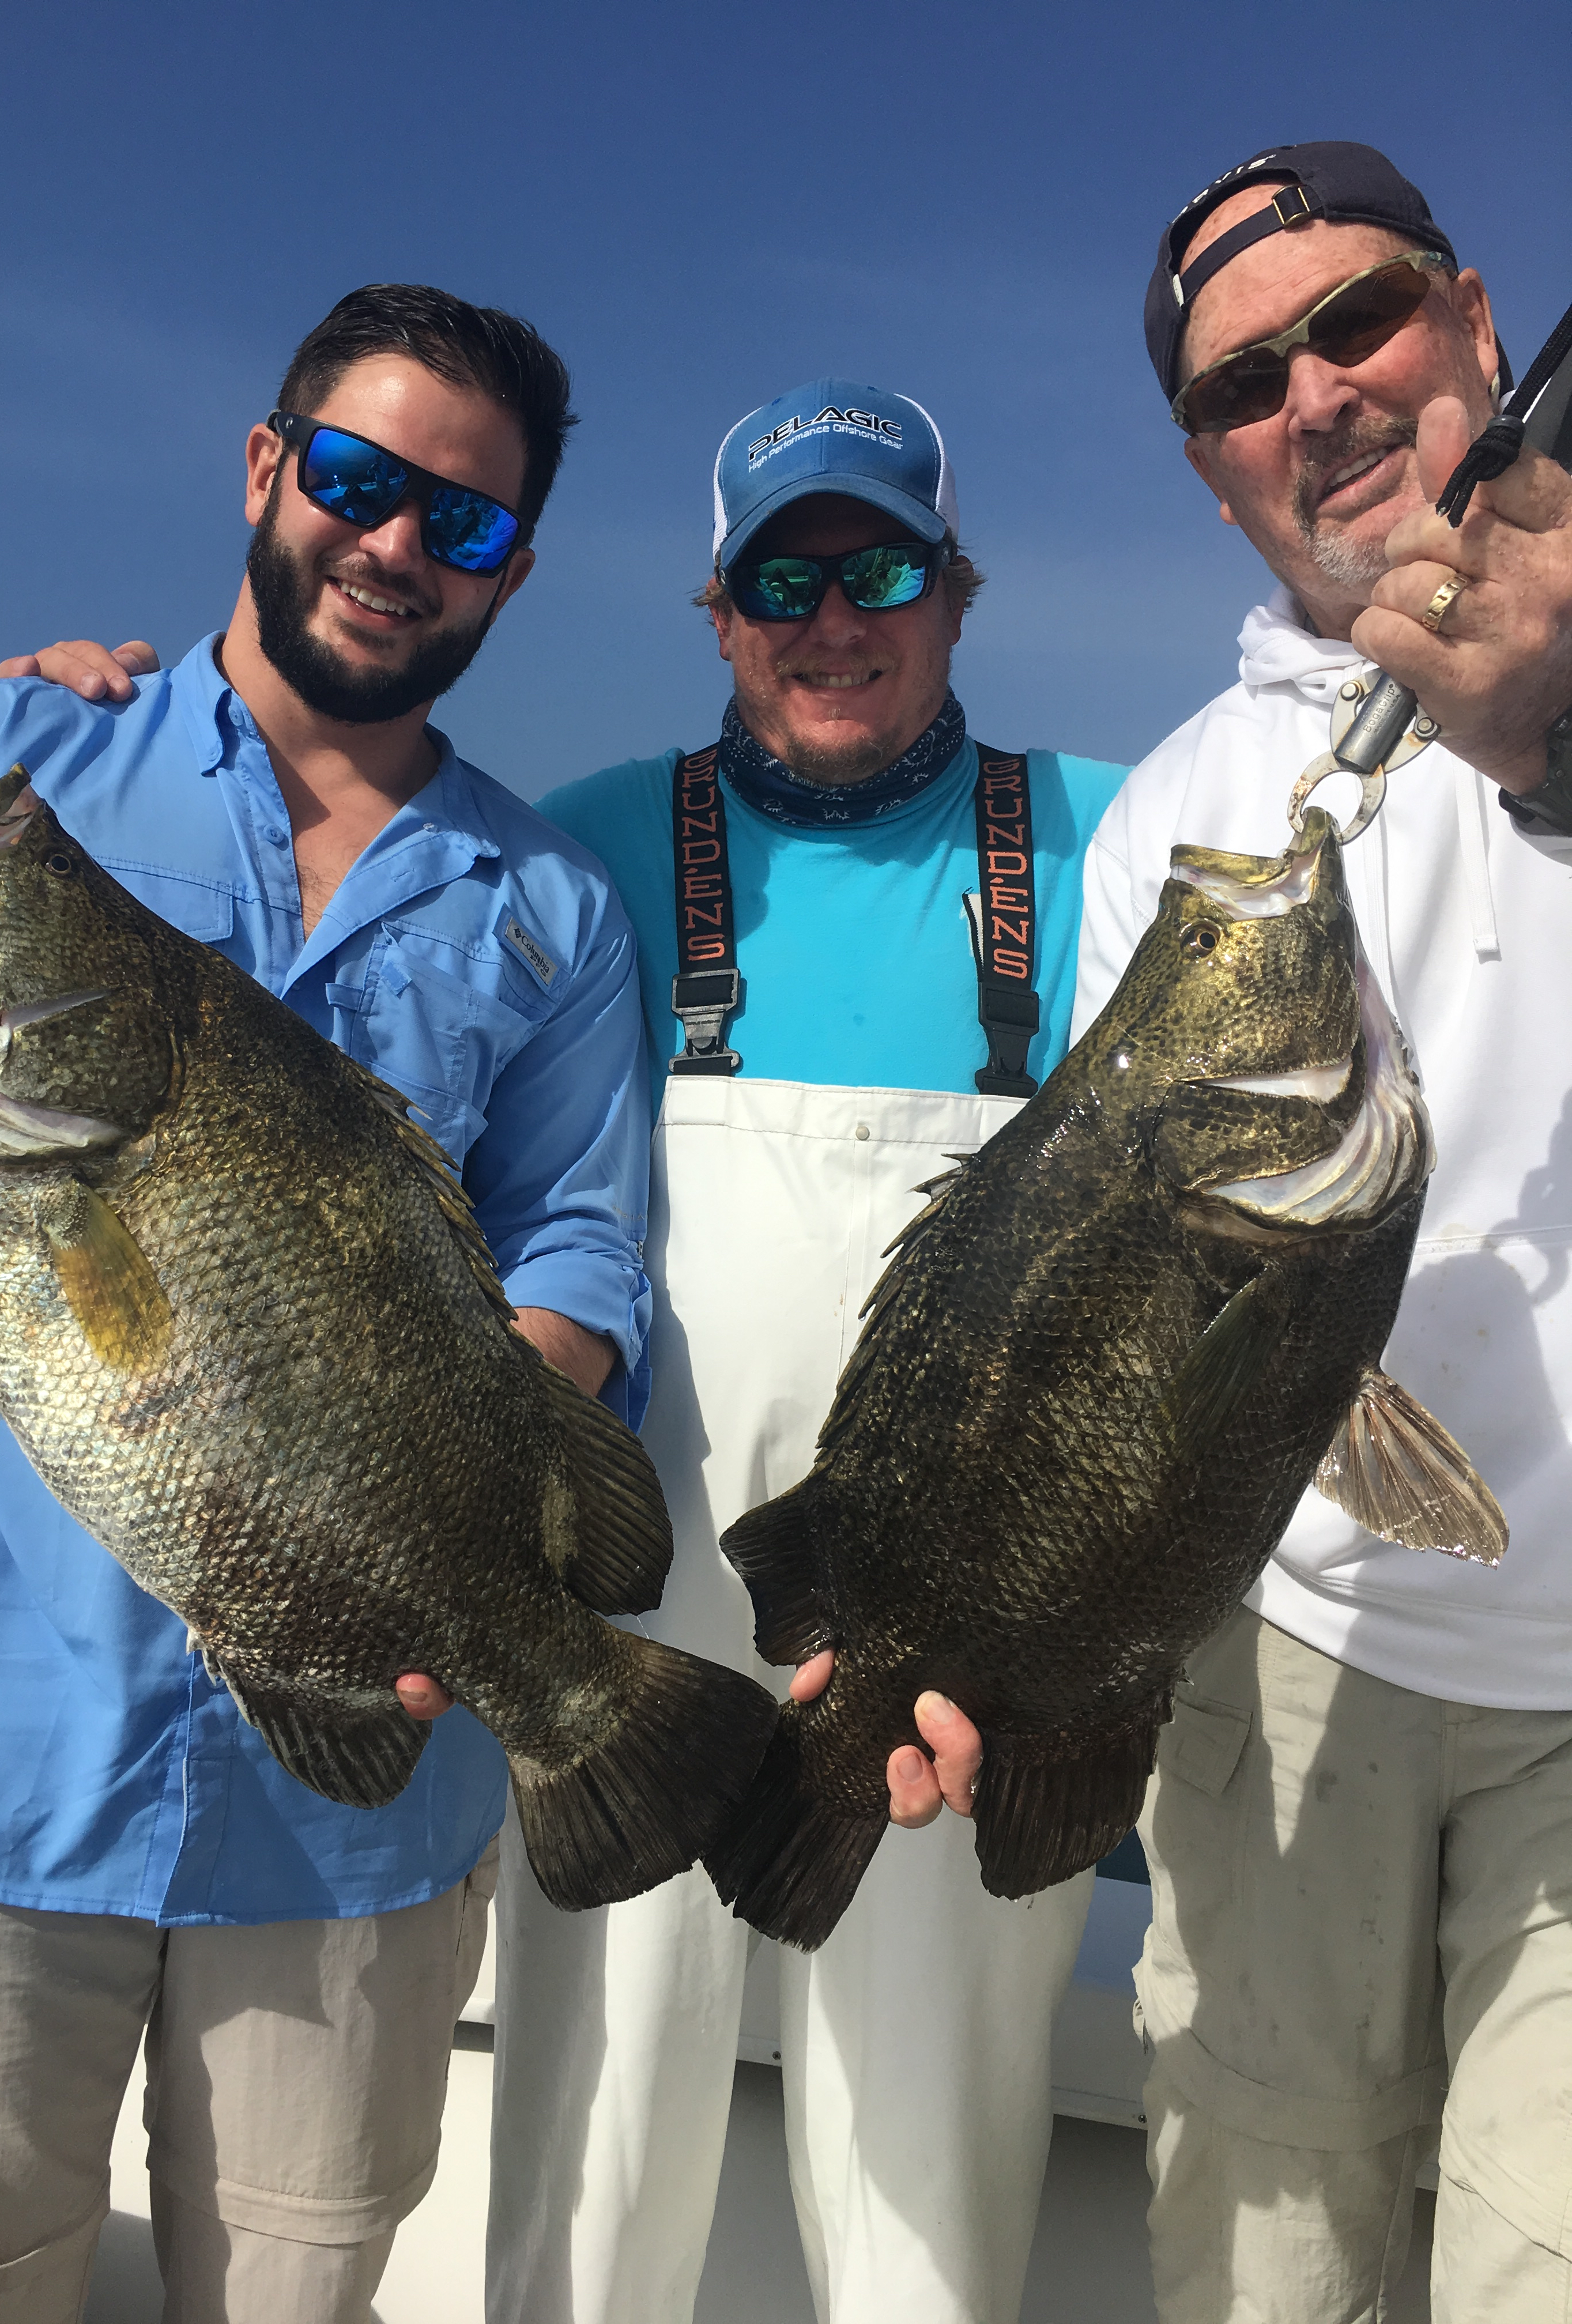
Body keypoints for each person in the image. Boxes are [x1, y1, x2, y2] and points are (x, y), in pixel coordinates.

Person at [0, 282, 653, 2324]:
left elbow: (577, 1246)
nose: (394, 548)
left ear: (514, 571)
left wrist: (453, 1522)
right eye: (360, 484)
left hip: (356, 1808)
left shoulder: (550, 905)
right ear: (270, 468)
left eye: (460, 525)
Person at [940, 141, 1572, 2319]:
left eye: (1357, 319)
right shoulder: (1176, 814)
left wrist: (1552, 741)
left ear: (1478, 321)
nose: (1316, 395)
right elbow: (1110, 1301)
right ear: (1212, 475)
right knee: (1258, 2265)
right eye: (1239, 387)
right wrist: (983, 1630)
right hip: (1289, 1656)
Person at [482, 382, 1128, 2324]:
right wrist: (80, 729)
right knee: (591, 2144)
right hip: (631, 1610)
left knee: (931, 2164)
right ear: (718, 609)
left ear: (957, 590)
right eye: (785, 576)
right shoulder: (572, 850)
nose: (833, 619)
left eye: (880, 569)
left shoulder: (1119, 835)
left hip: (964, 1626)